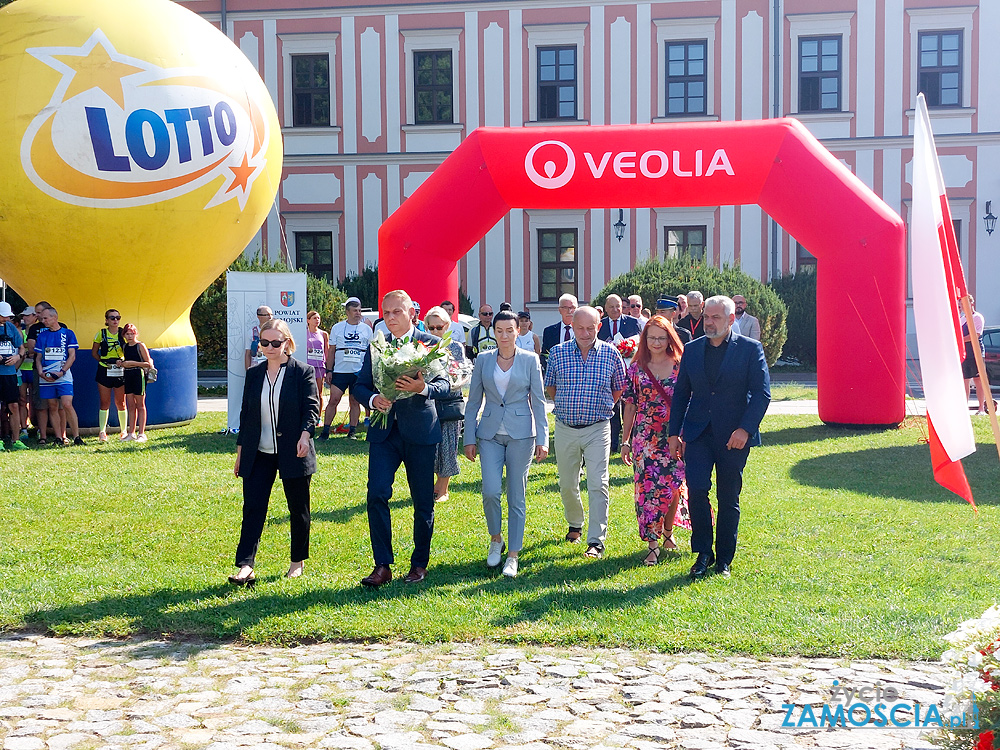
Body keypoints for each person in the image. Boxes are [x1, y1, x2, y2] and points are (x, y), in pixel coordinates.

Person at [353, 290, 452, 587]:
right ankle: (382, 565)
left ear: (411, 313)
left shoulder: (431, 342)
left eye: (397, 311)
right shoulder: (377, 345)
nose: (391, 317)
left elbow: (446, 385)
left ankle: (419, 563)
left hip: (420, 431)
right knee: (377, 493)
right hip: (385, 432)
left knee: (423, 501)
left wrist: (423, 388)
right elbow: (359, 385)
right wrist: (373, 400)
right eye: (386, 312)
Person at [668, 296, 770, 579]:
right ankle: (703, 553)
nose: (709, 322)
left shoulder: (750, 349)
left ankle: (724, 558)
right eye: (707, 316)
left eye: (716, 317)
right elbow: (681, 396)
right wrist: (674, 433)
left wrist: (745, 429)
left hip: (733, 437)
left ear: (731, 319)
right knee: (697, 490)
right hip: (698, 434)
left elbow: (761, 394)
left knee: (728, 497)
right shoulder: (692, 349)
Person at [231, 319, 320, 584]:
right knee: (254, 508)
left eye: (275, 343)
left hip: (294, 450)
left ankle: (297, 562)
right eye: (265, 342)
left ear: (287, 344)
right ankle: (246, 565)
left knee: (298, 508)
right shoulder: (254, 374)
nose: (270, 347)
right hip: (258, 452)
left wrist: (305, 435)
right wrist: (240, 453)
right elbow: (246, 415)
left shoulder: (302, 372)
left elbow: (311, 409)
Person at [464, 310, 548, 578]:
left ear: (518, 331)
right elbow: (474, 401)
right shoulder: (483, 360)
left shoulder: (530, 360)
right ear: (494, 332)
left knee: (516, 495)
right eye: (499, 331)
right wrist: (469, 437)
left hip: (522, 434)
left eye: (509, 331)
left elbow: (538, 401)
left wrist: (543, 439)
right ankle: (496, 539)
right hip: (489, 433)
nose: (504, 336)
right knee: (490, 491)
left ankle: (513, 555)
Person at [544, 306, 628, 559]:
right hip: (565, 428)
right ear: (572, 326)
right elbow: (551, 386)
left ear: (598, 327)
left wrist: (599, 409)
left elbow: (618, 390)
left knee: (598, 482)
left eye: (590, 327)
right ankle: (575, 523)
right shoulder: (558, 353)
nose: (585, 332)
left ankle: (596, 540)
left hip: (598, 428)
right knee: (567, 484)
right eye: (580, 327)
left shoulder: (611, 354)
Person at [621, 316, 690, 565]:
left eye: (661, 337)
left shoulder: (681, 365)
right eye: (652, 338)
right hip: (645, 438)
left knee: (672, 487)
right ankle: (652, 543)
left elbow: (690, 401)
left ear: (670, 338)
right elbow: (630, 405)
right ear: (645, 339)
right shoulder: (636, 367)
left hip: (675, 434)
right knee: (648, 490)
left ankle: (668, 533)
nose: (657, 342)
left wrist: (685, 434)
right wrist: (625, 439)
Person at [423, 306, 469, 504]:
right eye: (430, 328)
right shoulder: (420, 346)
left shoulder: (456, 347)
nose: (434, 332)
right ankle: (429, 486)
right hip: (427, 400)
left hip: (450, 400)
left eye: (438, 327)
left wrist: (449, 383)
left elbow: (461, 373)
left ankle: (442, 489)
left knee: (448, 445)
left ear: (447, 326)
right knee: (429, 447)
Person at [319, 297, 372, 439]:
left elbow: (372, 352)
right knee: (334, 400)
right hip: (340, 371)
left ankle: (352, 431)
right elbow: (331, 351)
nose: (358, 313)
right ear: (347, 312)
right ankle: (325, 431)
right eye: (355, 310)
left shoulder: (367, 329)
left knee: (355, 401)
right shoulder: (337, 327)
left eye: (360, 310)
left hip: (358, 371)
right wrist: (329, 370)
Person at [598, 295, 641, 453]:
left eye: (618, 306)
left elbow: (638, 342)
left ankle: (629, 441)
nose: (615, 310)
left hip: (628, 371)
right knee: (613, 410)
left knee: (629, 407)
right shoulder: (600, 325)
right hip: (609, 373)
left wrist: (626, 348)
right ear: (606, 308)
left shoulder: (631, 322)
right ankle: (613, 444)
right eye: (611, 307)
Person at [35, 307, 83, 446]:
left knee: (67, 404)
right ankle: (58, 437)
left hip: (63, 375)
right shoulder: (42, 336)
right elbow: (38, 357)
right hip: (46, 375)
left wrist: (62, 371)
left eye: (45, 318)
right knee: (52, 405)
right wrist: (40, 373)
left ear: (54, 318)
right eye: (42, 318)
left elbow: (72, 355)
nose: (43, 321)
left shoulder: (67, 333)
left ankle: (77, 437)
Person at [25, 301, 64, 445]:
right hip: (40, 369)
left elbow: (65, 348)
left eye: (40, 313)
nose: (38, 316)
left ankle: (62, 435)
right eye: (36, 313)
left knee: (60, 404)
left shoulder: (63, 327)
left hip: (59, 371)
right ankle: (43, 435)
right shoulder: (35, 328)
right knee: (41, 404)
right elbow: (32, 347)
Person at [91, 309, 128, 443]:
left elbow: (129, 349)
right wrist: (103, 362)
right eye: (112, 318)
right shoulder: (101, 334)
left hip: (120, 370)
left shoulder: (123, 333)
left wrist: (123, 362)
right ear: (106, 320)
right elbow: (94, 353)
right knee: (104, 402)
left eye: (118, 317)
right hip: (105, 370)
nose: (115, 320)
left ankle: (123, 431)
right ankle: (102, 431)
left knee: (121, 402)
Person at [118, 323, 154, 442]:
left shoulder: (140, 346)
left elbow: (148, 363)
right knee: (130, 405)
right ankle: (131, 432)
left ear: (136, 334)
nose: (129, 336)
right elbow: (125, 360)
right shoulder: (125, 347)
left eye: (132, 334)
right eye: (127, 334)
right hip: (128, 375)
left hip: (139, 375)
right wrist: (122, 363)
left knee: (140, 404)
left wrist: (132, 363)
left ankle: (142, 433)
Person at [0, 302, 28, 451]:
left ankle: (15, 440)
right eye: (3, 316)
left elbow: (21, 347)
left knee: (14, 405)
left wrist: (18, 357)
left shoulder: (10, 327)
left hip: (10, 373)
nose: (6, 319)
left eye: (7, 316)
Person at [961, 297, 987, 414]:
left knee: (978, 379)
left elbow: (975, 335)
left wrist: (959, 340)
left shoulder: (977, 317)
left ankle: (981, 407)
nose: (962, 306)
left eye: (964, 303)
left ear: (971, 303)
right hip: (964, 353)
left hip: (976, 352)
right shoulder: (961, 318)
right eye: (961, 304)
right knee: (965, 380)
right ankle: (964, 407)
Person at [541, 294, 578, 367]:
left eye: (572, 307)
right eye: (565, 307)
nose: (569, 311)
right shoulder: (549, 331)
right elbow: (544, 355)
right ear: (559, 310)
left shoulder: (582, 331)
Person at [305, 311, 330, 418]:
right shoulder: (303, 333)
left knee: (318, 393)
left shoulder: (323, 334)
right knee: (307, 392)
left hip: (319, 366)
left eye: (318, 318)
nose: (317, 320)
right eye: (314, 318)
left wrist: (328, 366)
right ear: (308, 320)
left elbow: (327, 351)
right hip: (307, 366)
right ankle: (307, 415)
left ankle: (318, 416)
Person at [17, 306, 36, 440]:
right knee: (22, 400)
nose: (25, 318)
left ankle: (37, 427)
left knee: (36, 401)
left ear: (35, 317)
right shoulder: (21, 332)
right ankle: (24, 428)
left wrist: (27, 349)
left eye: (28, 315)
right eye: (24, 316)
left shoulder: (38, 332)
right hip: (22, 369)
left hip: (35, 369)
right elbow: (19, 348)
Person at [245, 306, 273, 370]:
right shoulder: (251, 332)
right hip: (257, 366)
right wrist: (248, 372)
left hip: (272, 366)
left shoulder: (276, 332)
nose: (270, 317)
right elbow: (248, 353)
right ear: (259, 316)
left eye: (271, 314)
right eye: (267, 315)